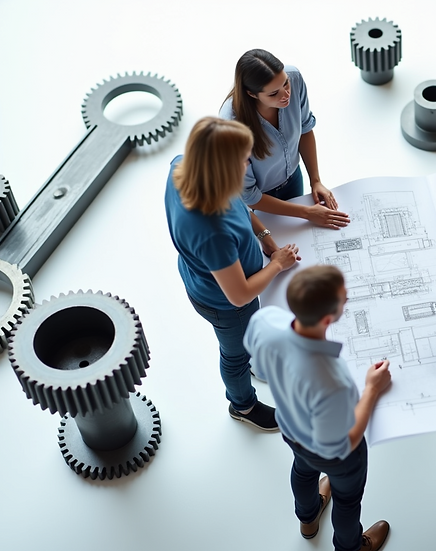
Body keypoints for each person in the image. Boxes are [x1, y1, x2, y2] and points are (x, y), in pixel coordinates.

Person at [165, 116, 301, 432]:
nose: (248, 164)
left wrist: (265, 235)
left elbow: (238, 201)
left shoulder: (182, 166)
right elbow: (239, 294)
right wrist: (278, 263)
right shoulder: (210, 229)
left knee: (243, 346)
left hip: (202, 275)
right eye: (242, 160)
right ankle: (243, 405)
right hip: (227, 305)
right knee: (235, 357)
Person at [244, 265, 392, 551]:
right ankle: (350, 547)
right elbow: (342, 442)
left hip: (290, 430)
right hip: (335, 455)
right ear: (328, 318)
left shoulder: (265, 320)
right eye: (344, 297)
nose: (347, 298)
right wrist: (372, 389)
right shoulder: (332, 380)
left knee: (303, 470)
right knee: (347, 500)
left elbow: (258, 368)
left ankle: (308, 519)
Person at [220, 48, 350, 229]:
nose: (286, 95)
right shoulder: (232, 126)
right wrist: (306, 213)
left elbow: (305, 129)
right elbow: (249, 196)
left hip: (293, 177)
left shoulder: (294, 77)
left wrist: (315, 180)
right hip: (261, 197)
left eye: (285, 84)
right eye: (273, 94)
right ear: (251, 94)